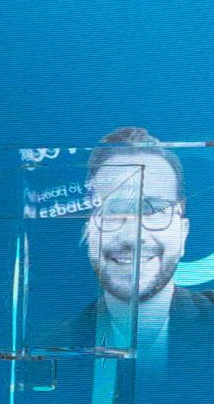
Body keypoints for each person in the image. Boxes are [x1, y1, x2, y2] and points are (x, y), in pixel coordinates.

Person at [55, 126, 213, 382]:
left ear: (183, 232)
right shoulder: (53, 346)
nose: (132, 236)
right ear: (87, 230)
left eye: (153, 210)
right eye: (112, 210)